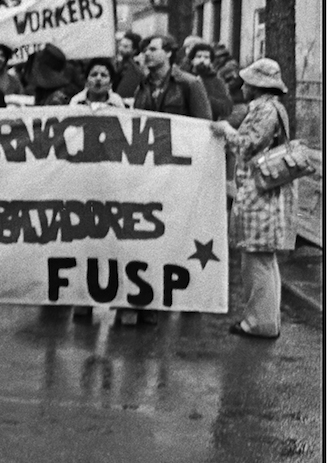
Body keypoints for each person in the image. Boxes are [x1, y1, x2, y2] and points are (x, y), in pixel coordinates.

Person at [119, 34, 212, 327]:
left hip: (180, 174)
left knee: (178, 232)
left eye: (153, 49)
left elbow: (203, 126)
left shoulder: (190, 84)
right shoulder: (143, 85)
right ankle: (148, 301)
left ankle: (186, 296)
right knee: (150, 233)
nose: (146, 54)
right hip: (149, 173)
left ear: (169, 53)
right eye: (144, 50)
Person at [210, 58, 296, 339]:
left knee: (255, 260)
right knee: (264, 261)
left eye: (247, 82)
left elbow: (248, 146)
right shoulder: (274, 108)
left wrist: (227, 131)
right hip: (264, 192)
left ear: (257, 86)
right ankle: (267, 320)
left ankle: (258, 322)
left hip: (258, 192)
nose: (243, 86)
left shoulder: (265, 110)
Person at [187, 41, 233, 120]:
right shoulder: (185, 78)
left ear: (210, 61)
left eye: (206, 57)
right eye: (198, 56)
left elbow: (226, 108)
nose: (202, 60)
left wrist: (204, 97)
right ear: (192, 60)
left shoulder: (217, 82)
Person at [114, 30, 146, 98]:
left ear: (135, 50)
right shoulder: (119, 63)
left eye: (125, 47)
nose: (121, 49)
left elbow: (123, 93)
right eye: (120, 45)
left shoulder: (134, 70)